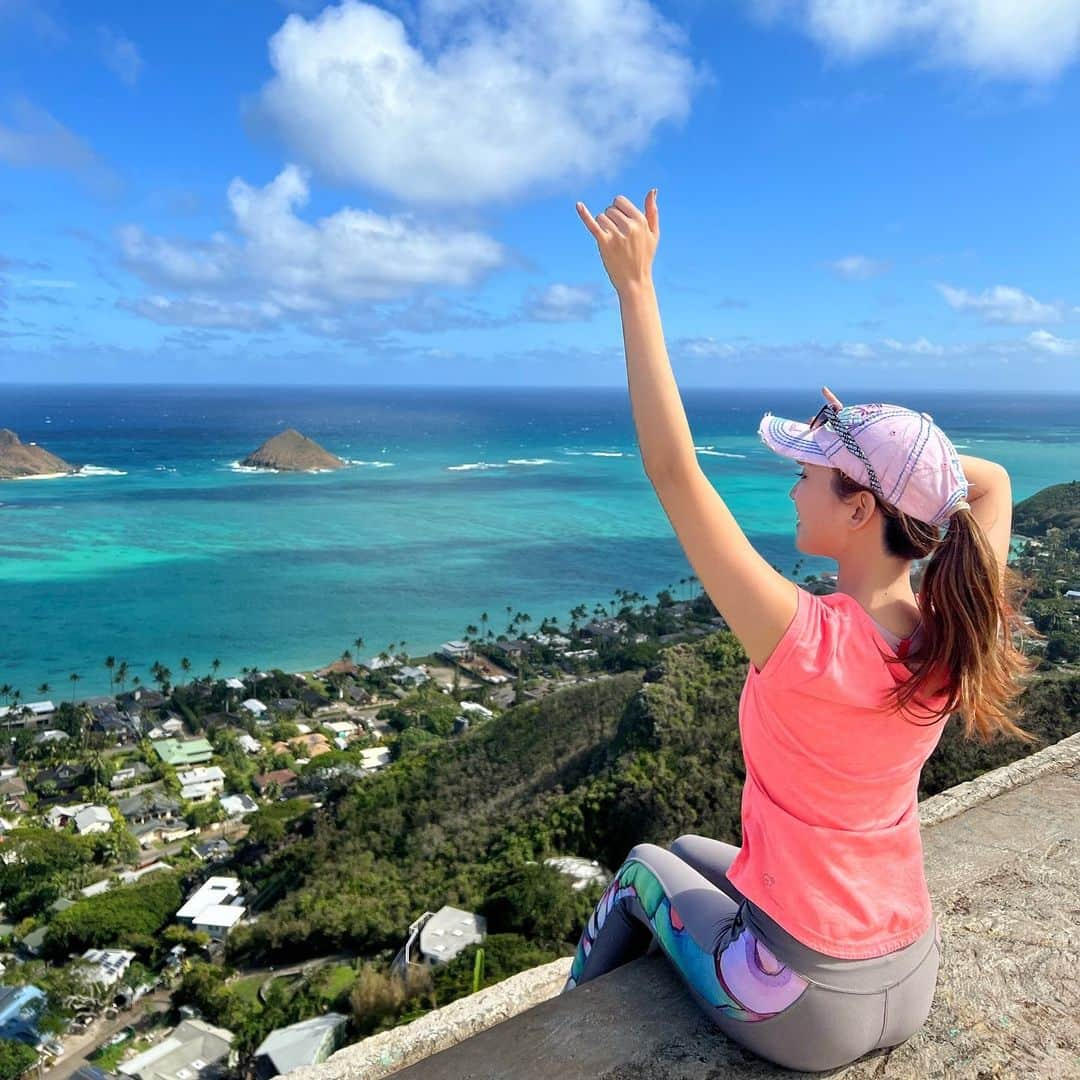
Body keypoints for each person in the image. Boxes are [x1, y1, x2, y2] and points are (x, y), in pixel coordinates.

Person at [562, 190, 1039, 1072]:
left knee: (638, 871)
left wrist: (635, 289)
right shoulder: (949, 632)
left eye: (811, 471)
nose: (793, 486)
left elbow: (674, 473)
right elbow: (995, 483)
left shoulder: (805, 640)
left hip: (801, 1001)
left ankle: (565, 1040)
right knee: (690, 854)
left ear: (858, 509)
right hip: (907, 971)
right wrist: (876, 446)